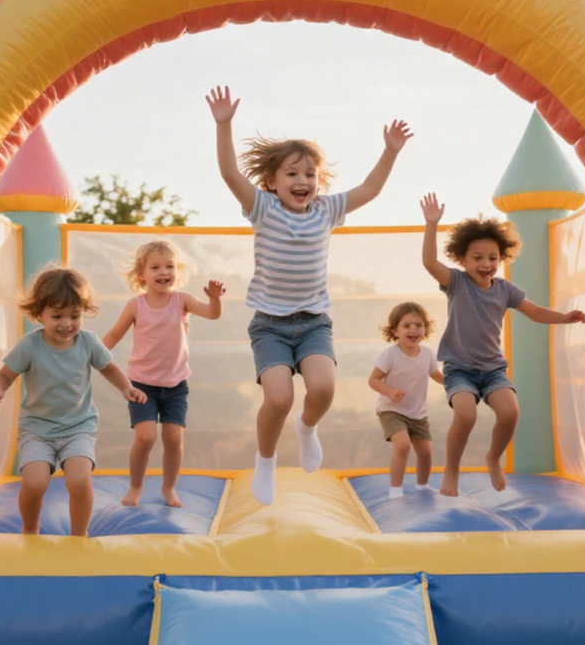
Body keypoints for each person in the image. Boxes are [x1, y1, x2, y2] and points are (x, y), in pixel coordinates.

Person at [206, 85, 413, 505]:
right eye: (292, 174)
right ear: (272, 182)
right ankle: (266, 460)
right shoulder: (263, 208)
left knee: (322, 390)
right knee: (278, 397)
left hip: (314, 322)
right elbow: (229, 173)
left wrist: (390, 151)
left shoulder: (326, 210)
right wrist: (224, 125)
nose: (302, 181)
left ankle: (307, 427)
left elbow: (370, 189)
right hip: (271, 325)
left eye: (310, 175)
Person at [419, 193, 585, 496]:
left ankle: (493, 458)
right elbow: (430, 262)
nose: (486, 264)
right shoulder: (457, 283)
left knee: (510, 413)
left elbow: (535, 312)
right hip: (460, 369)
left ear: (502, 258)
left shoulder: (505, 290)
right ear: (462, 260)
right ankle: (452, 469)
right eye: (478, 257)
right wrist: (431, 224)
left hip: (493, 369)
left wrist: (565, 318)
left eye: (493, 258)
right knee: (466, 415)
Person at [0, 267, 146, 536]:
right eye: (57, 316)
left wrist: (127, 388)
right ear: (40, 314)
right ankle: (30, 527)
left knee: (79, 481)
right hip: (37, 429)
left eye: (75, 316)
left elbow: (109, 368)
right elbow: (4, 375)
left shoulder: (88, 342)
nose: (67, 324)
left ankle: (79, 536)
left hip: (78, 427)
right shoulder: (30, 346)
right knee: (35, 483)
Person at [102, 239, 225, 508]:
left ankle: (169, 488)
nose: (163, 272)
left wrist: (214, 299)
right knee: (145, 437)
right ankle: (136, 486)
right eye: (155, 267)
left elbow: (212, 314)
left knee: (173, 438)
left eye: (169, 266)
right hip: (142, 384)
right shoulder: (135, 305)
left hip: (175, 384)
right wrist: (96, 354)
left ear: (177, 271)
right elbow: (114, 333)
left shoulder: (181, 301)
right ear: (141, 274)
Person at [368, 301, 445, 500]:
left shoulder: (427, 354)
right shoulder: (390, 356)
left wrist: (451, 383)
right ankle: (395, 490)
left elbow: (435, 374)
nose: (413, 330)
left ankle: (423, 486)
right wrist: (389, 391)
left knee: (425, 452)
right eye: (406, 325)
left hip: (418, 413)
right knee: (402, 446)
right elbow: (373, 380)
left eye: (418, 325)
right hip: (391, 410)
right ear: (395, 330)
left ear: (425, 329)